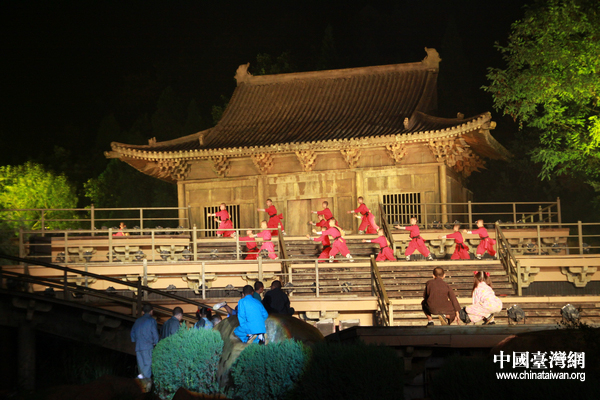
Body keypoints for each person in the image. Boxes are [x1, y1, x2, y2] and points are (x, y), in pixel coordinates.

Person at [131, 304, 158, 379]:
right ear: (151, 311)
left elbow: (132, 332)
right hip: (147, 346)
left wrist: (135, 340)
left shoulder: (137, 321)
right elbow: (155, 333)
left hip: (138, 347)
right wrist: (156, 342)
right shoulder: (152, 321)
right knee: (148, 364)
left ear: (143, 312)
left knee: (141, 366)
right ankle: (142, 379)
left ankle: (141, 379)